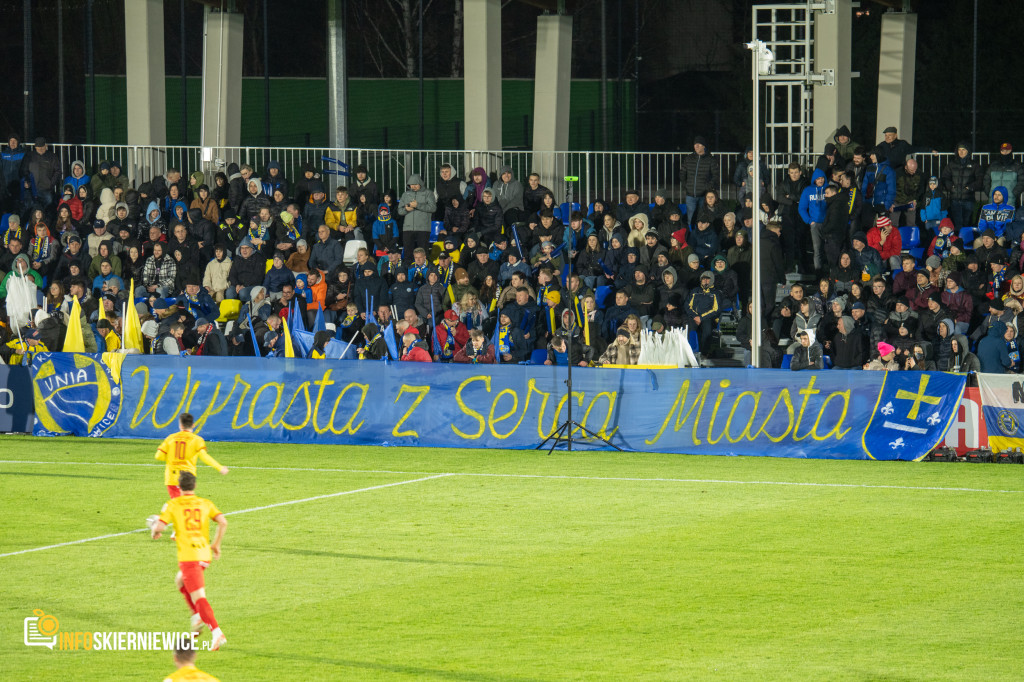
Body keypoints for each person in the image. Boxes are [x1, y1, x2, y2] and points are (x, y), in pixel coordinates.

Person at [150, 471, 228, 651]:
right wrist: (216, 545)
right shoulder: (205, 503)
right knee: (179, 581)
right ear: (195, 486)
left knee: (199, 597)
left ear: (178, 487)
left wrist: (155, 531)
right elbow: (223, 522)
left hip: (189, 558)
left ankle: (217, 632)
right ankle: (197, 617)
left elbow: (159, 527)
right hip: (204, 555)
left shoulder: (173, 504)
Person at [154, 412, 228, 499]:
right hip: (188, 478)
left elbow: (158, 456)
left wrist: (172, 457)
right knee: (185, 505)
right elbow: (204, 456)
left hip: (172, 478)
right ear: (193, 425)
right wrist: (219, 467)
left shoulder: (170, 438)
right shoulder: (197, 440)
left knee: (179, 506)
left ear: (180, 425)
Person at [679, 136, 720, 223]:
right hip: (690, 194)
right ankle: (691, 235)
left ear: (704, 146)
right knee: (690, 219)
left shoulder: (711, 160)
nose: (696, 146)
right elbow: (682, 173)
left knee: (703, 218)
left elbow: (715, 175)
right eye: (695, 144)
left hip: (703, 195)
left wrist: (707, 187)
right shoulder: (688, 158)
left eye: (699, 144)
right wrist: (686, 185)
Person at [398, 174, 436, 263]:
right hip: (408, 228)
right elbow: (400, 210)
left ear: (420, 183)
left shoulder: (428, 193)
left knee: (423, 253)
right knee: (408, 253)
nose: (413, 186)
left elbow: (433, 208)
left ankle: (425, 273)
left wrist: (418, 205)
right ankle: (408, 273)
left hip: (423, 228)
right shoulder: (405, 194)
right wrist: (406, 209)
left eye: (415, 184)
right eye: (411, 185)